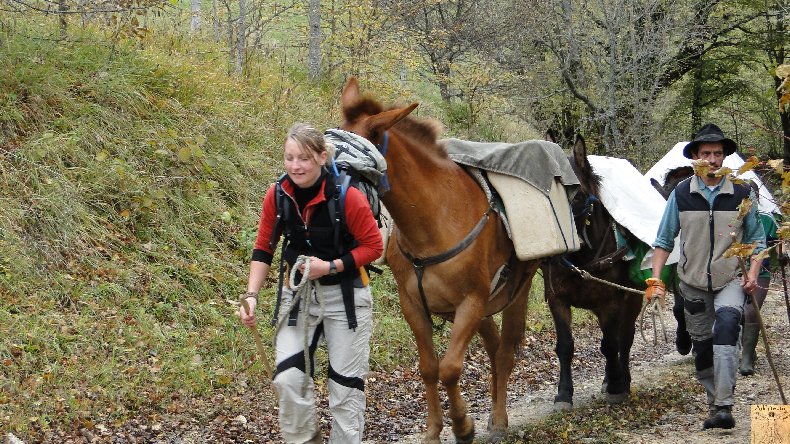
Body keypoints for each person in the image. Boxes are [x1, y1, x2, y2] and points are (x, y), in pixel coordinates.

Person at [238, 122, 383, 443]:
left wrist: (330, 266)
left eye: (303, 158)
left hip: (347, 299)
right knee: (288, 379)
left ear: (321, 157)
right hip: (298, 296)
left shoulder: (348, 198)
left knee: (345, 389)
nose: (295, 166)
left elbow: (374, 246)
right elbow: (264, 248)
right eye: (289, 157)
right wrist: (251, 295)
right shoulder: (277, 195)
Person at [645, 123, 766, 430]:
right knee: (702, 348)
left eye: (718, 154)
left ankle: (725, 406)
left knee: (726, 329)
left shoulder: (741, 193)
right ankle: (714, 403)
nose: (713, 159)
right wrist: (656, 280)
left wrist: (752, 273)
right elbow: (663, 241)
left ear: (725, 157)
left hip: (729, 280)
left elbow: (758, 241)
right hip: (692, 283)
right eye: (706, 154)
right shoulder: (681, 194)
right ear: (695, 158)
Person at [740, 183, 779, 376]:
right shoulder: (731, 218)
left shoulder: (767, 219)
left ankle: (746, 358)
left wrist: (782, 254)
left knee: (751, 311)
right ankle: (747, 349)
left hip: (761, 272)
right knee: (736, 312)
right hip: (734, 271)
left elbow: (779, 242)